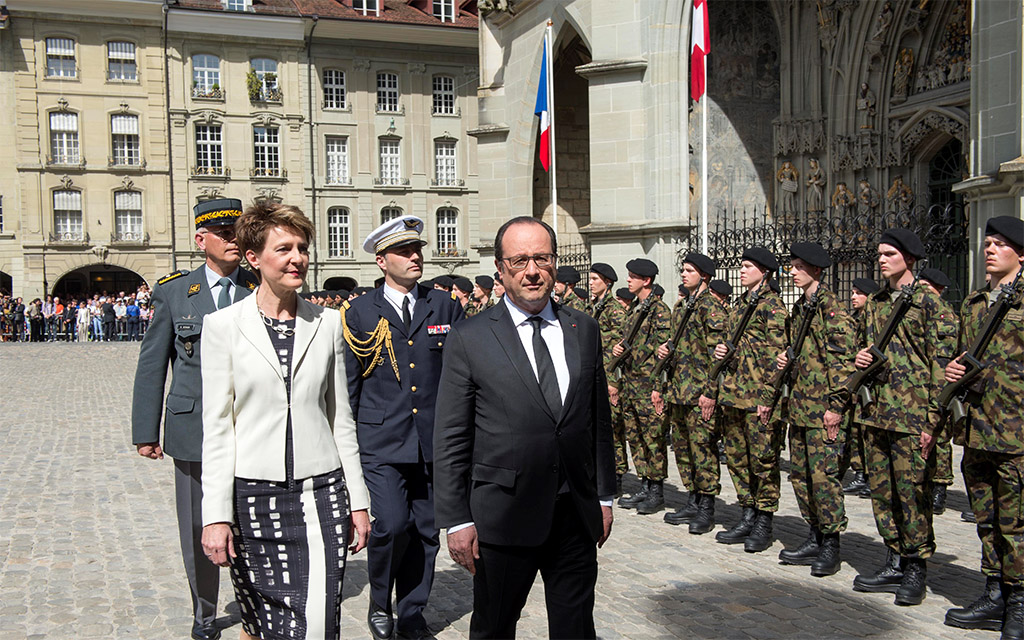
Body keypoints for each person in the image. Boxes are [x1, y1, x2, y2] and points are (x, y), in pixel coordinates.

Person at [434, 216, 615, 639]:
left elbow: (597, 421)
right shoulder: (470, 337)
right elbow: (451, 436)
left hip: (574, 513)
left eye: (541, 258)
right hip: (503, 516)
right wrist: (457, 519)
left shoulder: (583, 329)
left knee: (575, 628)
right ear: (501, 269)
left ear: (553, 263)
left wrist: (604, 494)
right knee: (495, 627)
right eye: (518, 261)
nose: (531, 270)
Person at [200, 202, 371, 640]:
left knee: (313, 624)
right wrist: (215, 515)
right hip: (252, 500)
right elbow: (218, 428)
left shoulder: (329, 323)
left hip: (321, 495)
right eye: (284, 248)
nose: (297, 257)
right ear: (254, 259)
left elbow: (341, 419)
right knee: (261, 624)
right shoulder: (222, 326)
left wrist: (359, 499)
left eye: (302, 247)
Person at [131, 199, 260, 640]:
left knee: (250, 523)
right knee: (197, 527)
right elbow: (153, 365)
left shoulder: (260, 288)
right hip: (193, 430)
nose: (234, 240)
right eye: (224, 233)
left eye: (239, 232)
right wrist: (146, 431)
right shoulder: (174, 292)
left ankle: (254, 604)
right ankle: (205, 613)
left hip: (250, 429)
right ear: (200, 239)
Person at [340, 215, 463, 640]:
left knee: (427, 530)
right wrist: (348, 450)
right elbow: (350, 385)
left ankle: (412, 612)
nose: (416, 257)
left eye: (419, 250)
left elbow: (458, 375)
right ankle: (380, 602)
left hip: (431, 442)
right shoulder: (358, 312)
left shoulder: (444, 305)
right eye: (405, 251)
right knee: (391, 525)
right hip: (381, 439)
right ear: (381, 260)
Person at [851, 228, 944, 607]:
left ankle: (916, 567)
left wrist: (933, 420)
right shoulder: (875, 303)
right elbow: (864, 345)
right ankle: (893, 558)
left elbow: (941, 361)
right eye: (880, 254)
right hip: (876, 413)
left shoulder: (928, 303)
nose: (882, 259)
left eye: (890, 253)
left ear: (909, 258)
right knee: (883, 492)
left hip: (911, 415)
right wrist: (861, 358)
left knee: (912, 494)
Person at [943, 216, 1024, 637]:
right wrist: (954, 369)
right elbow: (961, 355)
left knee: (1018, 521)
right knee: (987, 517)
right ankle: (995, 592)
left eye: (1000, 244)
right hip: (976, 428)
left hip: (1016, 431)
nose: (990, 249)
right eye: (987, 242)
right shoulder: (974, 302)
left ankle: (1020, 601)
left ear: (1021, 254)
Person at [774, 243, 856, 576]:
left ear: (816, 271)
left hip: (824, 410)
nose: (791, 271)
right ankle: (814, 534)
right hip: (801, 407)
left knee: (824, 479)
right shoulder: (801, 308)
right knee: (802, 477)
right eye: (791, 266)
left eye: (797, 266)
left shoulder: (832, 310)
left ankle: (831, 544)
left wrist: (836, 407)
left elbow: (842, 362)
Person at [706, 247, 787, 552]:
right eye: (741, 265)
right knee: (739, 459)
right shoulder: (740, 305)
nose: (741, 271)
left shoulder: (773, 307)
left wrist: (769, 396)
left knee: (763, 461)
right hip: (733, 394)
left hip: (758, 396)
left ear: (764, 272)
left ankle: (764, 520)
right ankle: (747, 512)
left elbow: (778, 356)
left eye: (747, 266)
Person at [656, 253, 725, 534]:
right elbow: (677, 345)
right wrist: (664, 351)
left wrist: (710, 392)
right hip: (679, 390)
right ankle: (692, 499)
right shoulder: (682, 306)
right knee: (684, 450)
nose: (683, 275)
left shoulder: (712, 308)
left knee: (702, 451)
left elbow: (717, 356)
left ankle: (707, 508)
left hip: (699, 394)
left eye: (689, 271)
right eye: (682, 270)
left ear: (704, 276)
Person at [613, 259, 672, 514]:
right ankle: (645, 484)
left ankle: (656, 490)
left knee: (653, 438)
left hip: (648, 385)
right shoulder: (636, 308)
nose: (628, 280)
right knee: (636, 438)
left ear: (646, 280)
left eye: (633, 276)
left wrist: (658, 387)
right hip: (631, 383)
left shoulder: (659, 310)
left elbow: (663, 353)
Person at [919, 267, 958, 516]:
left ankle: (940, 486)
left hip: (943, 381)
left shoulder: (945, 314)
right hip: (920, 388)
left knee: (940, 437)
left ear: (938, 290)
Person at [588, 263, 628, 495]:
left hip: (609, 377)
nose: (591, 282)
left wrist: (613, 382)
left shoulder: (615, 310)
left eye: (595, 279)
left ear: (608, 282)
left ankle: (617, 474)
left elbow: (619, 350)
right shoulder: (594, 307)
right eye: (590, 278)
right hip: (596, 376)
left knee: (613, 429)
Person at [842, 277, 880, 498]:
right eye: (853, 292)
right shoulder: (854, 319)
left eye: (858, 293)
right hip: (856, 382)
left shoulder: (873, 321)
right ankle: (860, 473)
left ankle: (871, 476)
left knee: (869, 434)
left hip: (870, 384)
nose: (853, 297)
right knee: (857, 432)